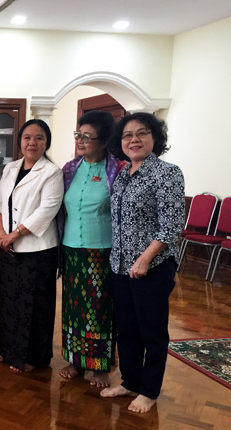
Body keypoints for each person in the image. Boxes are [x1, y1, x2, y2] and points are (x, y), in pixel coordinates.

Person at [100, 112, 184, 413]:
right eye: (127, 135)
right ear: (120, 142)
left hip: (153, 266)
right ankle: (130, 381)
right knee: (126, 328)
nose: (134, 139)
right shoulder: (123, 175)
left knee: (152, 331)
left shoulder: (167, 173)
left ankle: (149, 391)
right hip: (121, 264)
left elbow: (171, 225)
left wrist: (145, 258)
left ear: (154, 137)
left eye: (142, 133)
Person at [0, 119, 64, 372]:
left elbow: (46, 211)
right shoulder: (11, 168)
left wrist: (13, 235)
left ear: (46, 142)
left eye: (39, 138)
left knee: (36, 305)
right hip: (9, 248)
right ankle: (10, 351)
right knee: (10, 301)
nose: (32, 143)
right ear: (20, 141)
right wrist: (0, 232)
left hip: (38, 250)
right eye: (27, 137)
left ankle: (34, 358)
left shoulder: (52, 172)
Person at [59, 111, 127, 387]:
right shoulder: (69, 169)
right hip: (71, 249)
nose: (80, 140)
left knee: (98, 309)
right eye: (78, 135)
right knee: (73, 308)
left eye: (87, 137)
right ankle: (75, 359)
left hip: (101, 251)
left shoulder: (117, 170)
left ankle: (99, 365)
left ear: (104, 141)